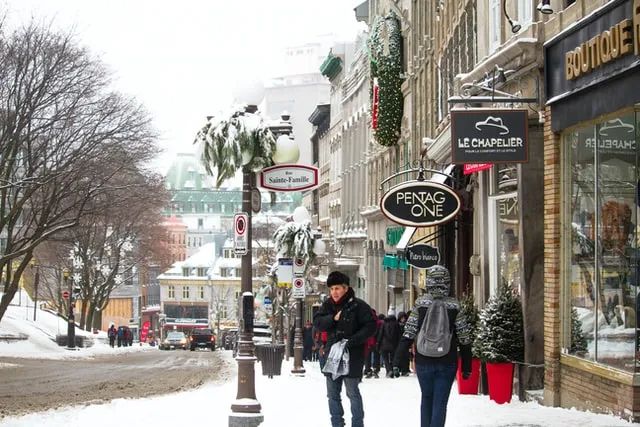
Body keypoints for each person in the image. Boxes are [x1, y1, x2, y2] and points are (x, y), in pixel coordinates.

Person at [393, 265, 472, 427]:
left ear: (428, 283)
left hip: (423, 361)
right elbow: (464, 338)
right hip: (447, 361)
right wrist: (467, 366)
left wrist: (396, 362)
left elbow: (408, 333)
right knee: (440, 402)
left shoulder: (421, 304)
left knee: (426, 398)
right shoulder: (455, 306)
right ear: (447, 283)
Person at [314, 271, 376, 427]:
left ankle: (357, 424)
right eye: (332, 289)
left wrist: (353, 340)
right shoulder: (327, 305)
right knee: (332, 395)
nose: (334, 292)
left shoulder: (359, 306)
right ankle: (337, 423)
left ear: (346, 288)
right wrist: (333, 318)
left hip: (352, 356)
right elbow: (318, 323)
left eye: (337, 288)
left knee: (352, 393)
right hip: (332, 356)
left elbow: (370, 326)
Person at [379, 308, 400, 377]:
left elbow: (381, 334)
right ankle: (391, 370)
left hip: (384, 344)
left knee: (385, 359)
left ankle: (389, 370)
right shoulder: (396, 323)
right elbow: (399, 335)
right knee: (392, 358)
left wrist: (378, 344)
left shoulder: (384, 323)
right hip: (394, 344)